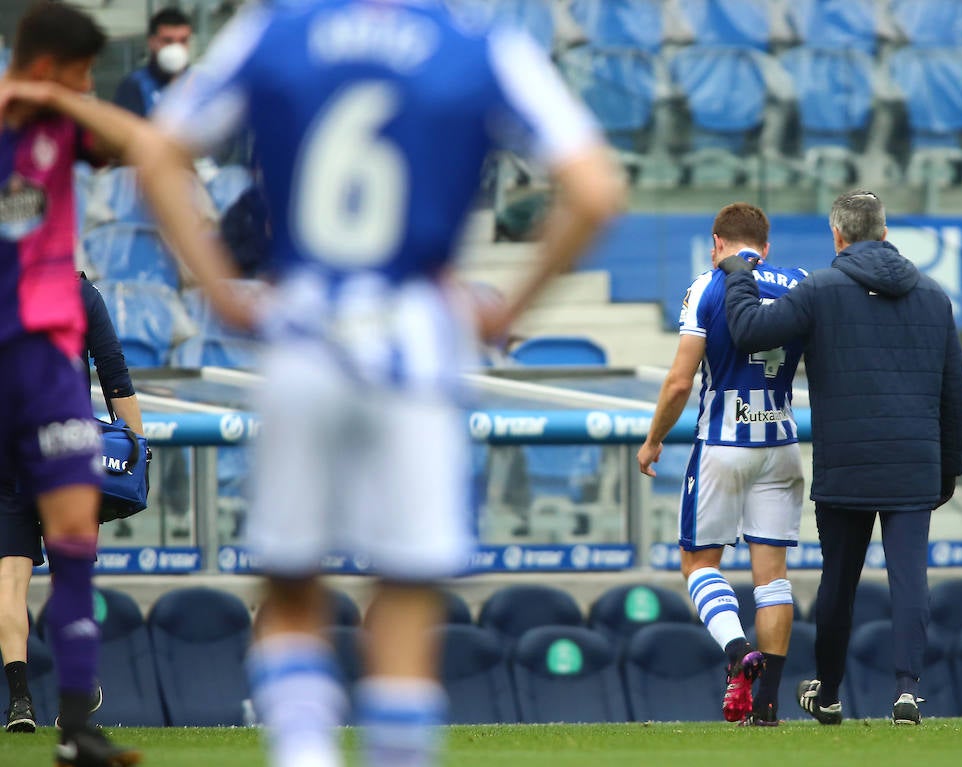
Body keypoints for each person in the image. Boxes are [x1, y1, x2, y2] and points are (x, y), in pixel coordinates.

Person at [131, 1, 623, 765]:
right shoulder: (479, 44)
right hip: (414, 348)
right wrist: (510, 307)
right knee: (403, 593)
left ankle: (303, 753)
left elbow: (157, 151)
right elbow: (596, 188)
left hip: (302, 336)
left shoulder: (276, 30)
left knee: (292, 587)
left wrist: (222, 288)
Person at [720, 190, 962, 725]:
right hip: (914, 462)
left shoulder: (820, 289)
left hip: (846, 463)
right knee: (910, 578)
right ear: (884, 232)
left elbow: (746, 331)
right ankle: (907, 691)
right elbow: (957, 395)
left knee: (840, 581)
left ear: (838, 236)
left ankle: (828, 690)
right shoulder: (933, 294)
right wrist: (947, 468)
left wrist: (739, 270)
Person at [0, 2, 152, 763]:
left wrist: (59, 101)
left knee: (72, 542)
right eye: (83, 71)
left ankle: (74, 728)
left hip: (55, 365)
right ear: (48, 62)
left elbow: (146, 145)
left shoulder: (61, 132)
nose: (91, 85)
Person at [637, 202, 808, 726]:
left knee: (698, 564)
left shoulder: (706, 286)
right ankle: (770, 705)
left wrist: (653, 440)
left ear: (716, 243)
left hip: (722, 444)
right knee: (772, 578)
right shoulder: (800, 283)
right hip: (781, 444)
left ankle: (737, 652)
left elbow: (681, 381)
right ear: (766, 246)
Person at [2, 274, 145, 734]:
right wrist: (137, 450)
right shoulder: (78, 291)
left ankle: (20, 700)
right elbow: (115, 377)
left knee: (9, 582)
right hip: (66, 452)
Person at [112, 6, 192, 118]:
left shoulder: (202, 83)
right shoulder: (135, 85)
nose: (176, 48)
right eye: (167, 41)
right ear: (151, 42)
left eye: (183, 41)